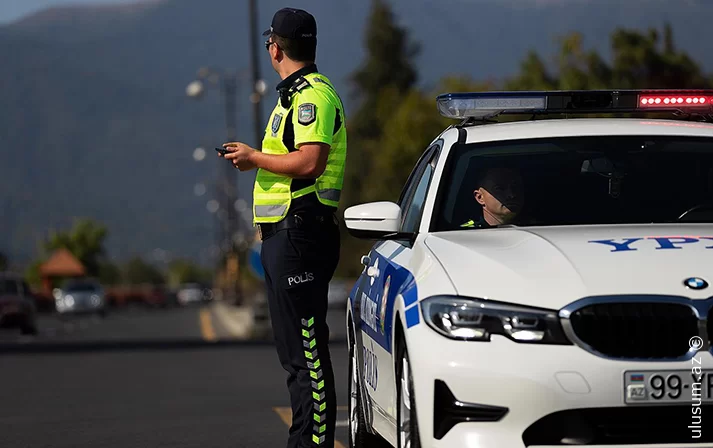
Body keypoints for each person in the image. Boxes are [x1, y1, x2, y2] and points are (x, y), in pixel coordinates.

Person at [220, 7, 346, 448]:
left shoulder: (312, 95)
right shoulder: (291, 98)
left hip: (301, 234)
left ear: (275, 48)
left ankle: (311, 444)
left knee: (307, 355)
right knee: (295, 356)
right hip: (284, 235)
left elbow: (311, 162)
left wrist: (254, 158)